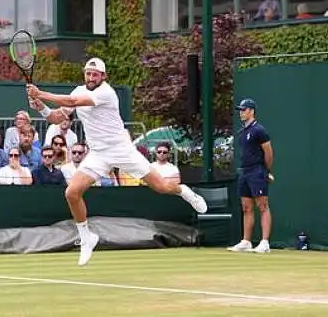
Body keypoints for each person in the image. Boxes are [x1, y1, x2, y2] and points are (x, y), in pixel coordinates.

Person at [27, 57, 208, 267]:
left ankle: (183, 191)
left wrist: (41, 93)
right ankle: (86, 236)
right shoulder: (77, 90)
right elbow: (57, 118)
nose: (91, 77)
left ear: (103, 76)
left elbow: (73, 103)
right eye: (88, 73)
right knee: (71, 192)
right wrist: (41, 107)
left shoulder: (106, 93)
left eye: (96, 74)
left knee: (160, 186)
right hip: (97, 154)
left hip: (122, 150)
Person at [227, 98, 274, 254]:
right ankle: (246, 241)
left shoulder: (259, 130)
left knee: (262, 206)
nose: (241, 112)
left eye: (244, 109)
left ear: (251, 111)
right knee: (247, 208)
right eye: (240, 110)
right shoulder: (242, 132)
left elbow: (268, 153)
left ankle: (265, 243)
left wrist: (266, 171)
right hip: (244, 171)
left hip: (257, 171)